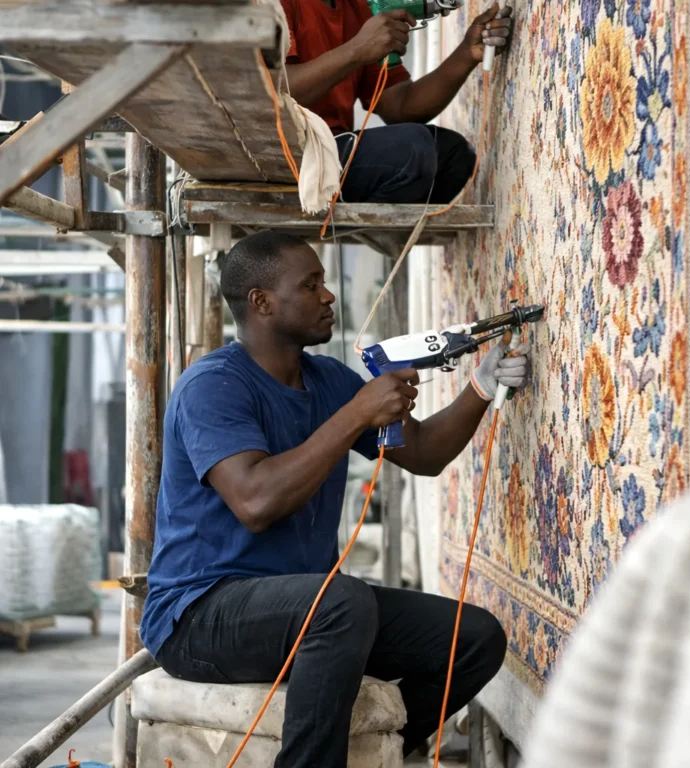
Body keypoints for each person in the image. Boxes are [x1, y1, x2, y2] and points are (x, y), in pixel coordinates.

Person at [140, 231, 531, 768]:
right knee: (342, 601)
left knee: (475, 638)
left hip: (307, 610)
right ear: (261, 302)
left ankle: (366, 757)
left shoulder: (328, 380)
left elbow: (424, 454)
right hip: (199, 616)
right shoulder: (212, 386)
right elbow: (256, 503)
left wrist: (481, 388)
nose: (328, 296)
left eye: (324, 283)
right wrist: (356, 414)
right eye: (310, 285)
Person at [280, 0, 512, 205]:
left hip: (334, 154)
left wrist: (466, 53)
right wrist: (358, 49)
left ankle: (366, 232)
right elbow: (274, 94)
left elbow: (399, 106)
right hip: (285, 157)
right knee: (414, 152)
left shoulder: (357, 8)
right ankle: (362, 232)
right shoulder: (274, 5)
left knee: (452, 156)